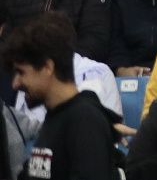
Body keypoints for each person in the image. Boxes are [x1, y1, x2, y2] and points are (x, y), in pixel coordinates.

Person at [4, 13, 123, 179]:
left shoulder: (85, 121)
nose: (15, 84)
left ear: (47, 67)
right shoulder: (54, 119)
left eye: (21, 72)